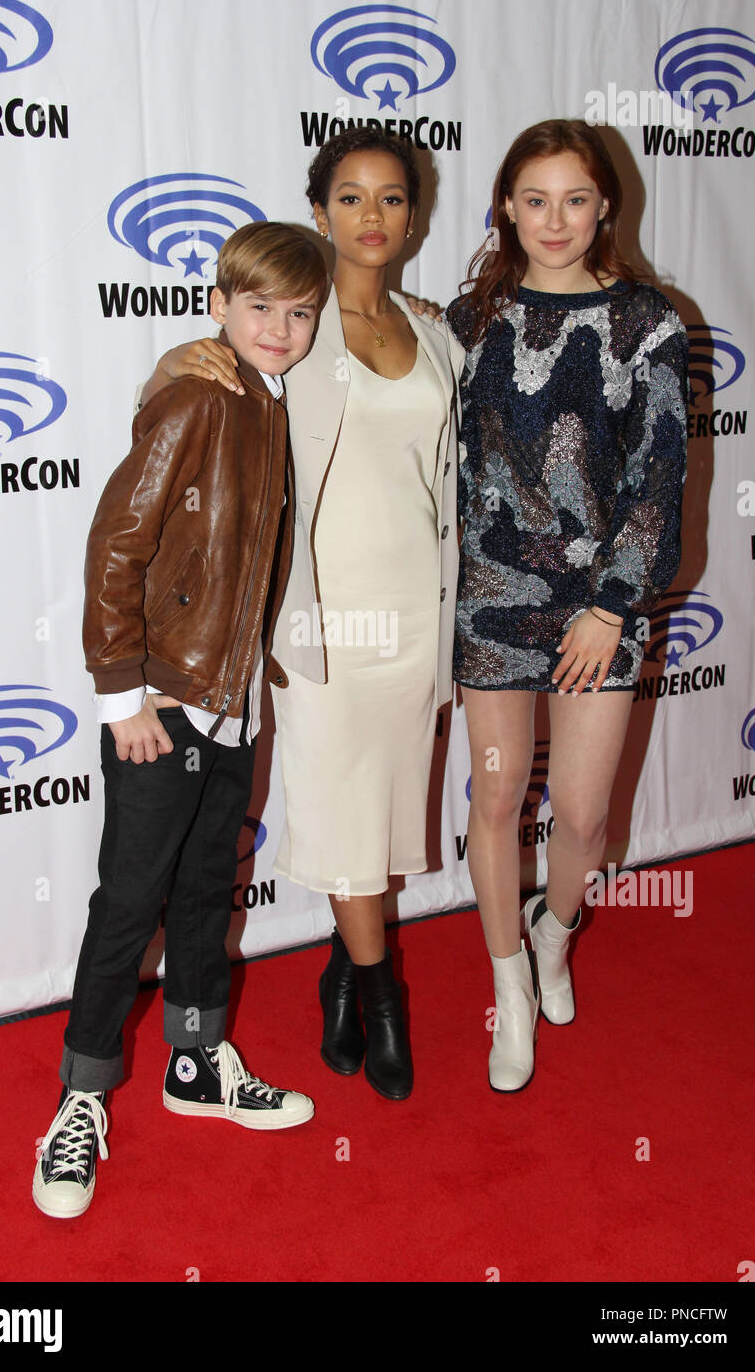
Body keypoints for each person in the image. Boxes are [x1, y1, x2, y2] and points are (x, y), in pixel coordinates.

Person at [142, 130, 464, 1101]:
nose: (371, 216)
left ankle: (337, 967)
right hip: (320, 623)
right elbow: (180, 388)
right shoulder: (291, 323)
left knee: (375, 819)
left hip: (418, 611)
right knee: (343, 816)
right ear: (317, 209)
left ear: (413, 215)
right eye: (351, 197)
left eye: (392, 198)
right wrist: (178, 361)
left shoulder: (435, 330)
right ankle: (378, 997)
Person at [32, 222, 327, 1219]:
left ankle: (196, 1063)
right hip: (165, 704)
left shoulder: (268, 403)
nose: (279, 328)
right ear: (217, 306)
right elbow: (116, 545)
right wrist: (125, 695)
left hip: (235, 702)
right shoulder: (200, 396)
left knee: (206, 894)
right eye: (258, 309)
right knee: (129, 902)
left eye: (298, 312)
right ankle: (79, 1096)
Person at [446, 119, 688, 1091]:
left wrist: (613, 606)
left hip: (598, 609)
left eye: (574, 200)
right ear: (505, 204)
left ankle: (555, 925)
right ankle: (506, 989)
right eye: (534, 199)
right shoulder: (463, 322)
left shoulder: (647, 321)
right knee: (498, 796)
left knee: (583, 818)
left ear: (603, 209)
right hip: (488, 603)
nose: (554, 220)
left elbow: (659, 470)